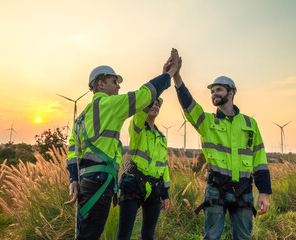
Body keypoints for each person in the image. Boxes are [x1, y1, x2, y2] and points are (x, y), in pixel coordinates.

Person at [64, 49, 180, 240]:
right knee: (90, 235)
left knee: (86, 234)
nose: (118, 87)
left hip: (86, 181)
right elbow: (144, 95)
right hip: (99, 182)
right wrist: (168, 74)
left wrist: (74, 178)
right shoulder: (109, 105)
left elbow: (72, 151)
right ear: (101, 84)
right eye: (114, 81)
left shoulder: (82, 115)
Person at [173, 57, 272, 239]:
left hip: (244, 190)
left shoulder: (250, 123)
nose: (214, 94)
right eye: (212, 91)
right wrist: (177, 77)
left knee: (243, 237)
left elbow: (260, 159)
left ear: (231, 92)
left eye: (218, 90)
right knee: (211, 236)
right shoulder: (207, 121)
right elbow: (188, 105)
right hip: (216, 188)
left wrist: (264, 192)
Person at [115, 97, 170, 240]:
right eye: (151, 103)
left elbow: (163, 165)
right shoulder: (137, 128)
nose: (155, 106)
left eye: (157, 104)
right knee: (124, 234)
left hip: (155, 187)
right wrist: (153, 94)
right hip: (133, 184)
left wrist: (165, 193)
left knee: (148, 235)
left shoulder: (162, 138)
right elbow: (139, 116)